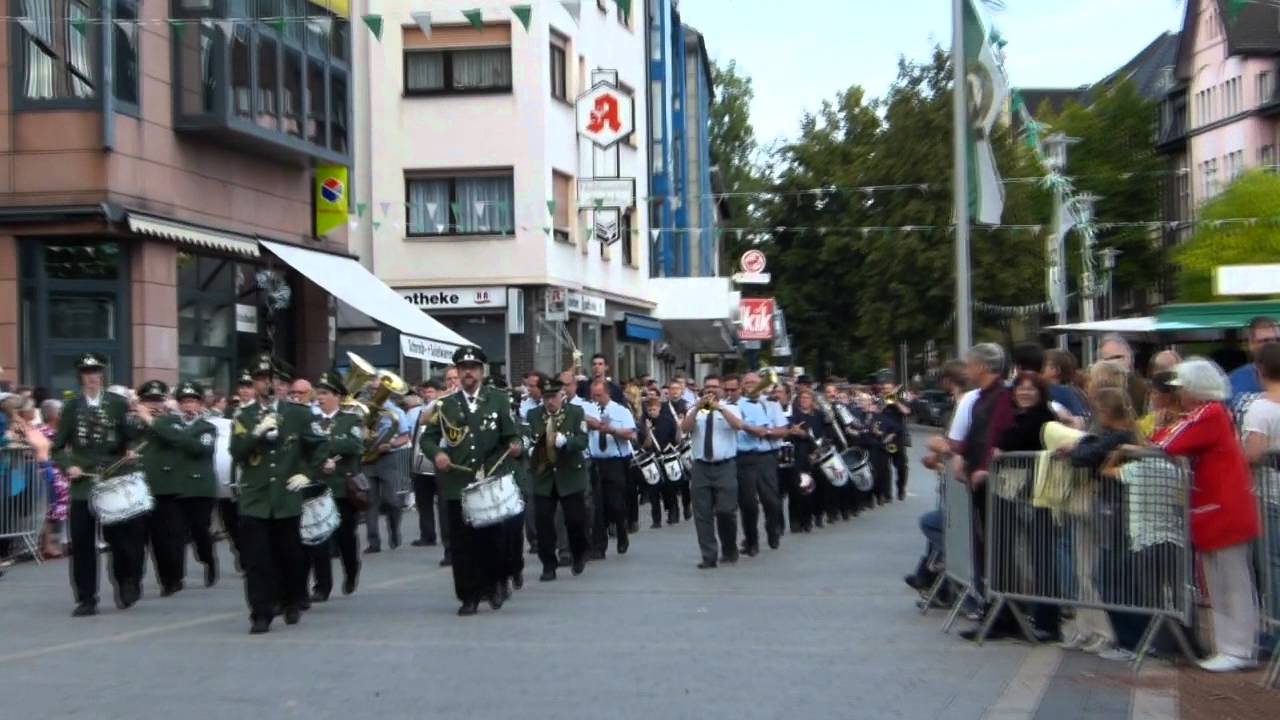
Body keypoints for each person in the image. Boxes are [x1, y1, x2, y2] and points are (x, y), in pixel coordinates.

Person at [1154, 358, 1261, 672]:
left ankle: (1239, 649)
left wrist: (1160, 432)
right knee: (1219, 583)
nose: (1179, 394)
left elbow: (1169, 441)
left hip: (1224, 507)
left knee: (1232, 583)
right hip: (1215, 507)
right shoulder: (1207, 413)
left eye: (1183, 388)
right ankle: (1230, 647)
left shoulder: (1209, 412)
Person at [419, 346, 522, 617]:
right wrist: (438, 453)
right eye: (463, 368)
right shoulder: (445, 405)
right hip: (458, 484)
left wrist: (515, 446)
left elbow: (511, 435)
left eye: (473, 368)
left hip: (490, 482)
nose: (468, 373)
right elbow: (427, 438)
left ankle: (495, 583)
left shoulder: (498, 400)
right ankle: (468, 595)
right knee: (463, 545)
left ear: (481, 371)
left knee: (494, 541)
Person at [230, 354, 328, 634]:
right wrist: (255, 435)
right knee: (257, 560)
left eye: (270, 379)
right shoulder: (244, 416)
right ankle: (260, 613)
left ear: (279, 383)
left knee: (291, 557)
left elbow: (320, 445)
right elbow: (237, 453)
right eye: (260, 380)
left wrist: (308, 473)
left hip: (286, 497)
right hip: (256, 499)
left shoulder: (297, 413)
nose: (266, 385)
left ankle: (292, 599)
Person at [51, 354, 150, 616]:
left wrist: (131, 449)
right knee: (82, 543)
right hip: (84, 484)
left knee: (121, 540)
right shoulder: (71, 407)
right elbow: (57, 447)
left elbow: (135, 436)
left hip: (112, 481)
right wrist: (68, 465)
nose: (92, 377)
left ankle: (127, 581)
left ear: (102, 375)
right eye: (87, 372)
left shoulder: (117, 404)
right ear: (80, 376)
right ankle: (87, 597)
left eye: (96, 372)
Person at [305, 371, 364, 602]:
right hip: (318, 488)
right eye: (318, 393)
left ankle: (351, 571)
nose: (320, 398)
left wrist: (326, 448)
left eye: (325, 393)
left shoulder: (351, 419)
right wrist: (321, 458)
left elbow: (355, 445)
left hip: (342, 488)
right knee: (319, 538)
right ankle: (322, 586)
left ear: (337, 396)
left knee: (345, 537)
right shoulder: (311, 421)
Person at [680, 375, 747, 569]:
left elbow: (738, 426)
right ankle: (709, 555)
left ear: (722, 389)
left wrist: (720, 408)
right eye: (708, 387)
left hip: (724, 466)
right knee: (702, 514)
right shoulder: (696, 409)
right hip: (701, 466)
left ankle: (729, 548)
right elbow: (685, 429)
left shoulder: (731, 407)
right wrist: (696, 409)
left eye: (715, 387)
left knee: (726, 510)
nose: (711, 390)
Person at [528, 377, 589, 581]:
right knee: (543, 522)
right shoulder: (534, 415)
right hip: (544, 476)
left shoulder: (575, 413)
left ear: (562, 396)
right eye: (546, 398)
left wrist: (567, 441)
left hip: (569, 473)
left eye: (553, 397)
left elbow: (582, 441)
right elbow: (527, 436)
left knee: (575, 520)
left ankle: (578, 553)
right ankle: (548, 564)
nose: (550, 402)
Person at [137, 379, 194, 596]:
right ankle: (131, 582)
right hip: (136, 488)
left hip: (165, 489)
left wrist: (151, 420)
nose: (154, 405)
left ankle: (171, 579)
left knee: (165, 540)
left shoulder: (171, 421)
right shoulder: (132, 422)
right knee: (134, 542)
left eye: (158, 400)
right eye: (149, 401)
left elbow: (177, 438)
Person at [1241, 341, 1280, 653]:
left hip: (1270, 496)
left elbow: (1253, 453)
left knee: (1272, 565)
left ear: (1260, 370)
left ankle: (1275, 629)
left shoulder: (1260, 407)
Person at [730, 372, 785, 555]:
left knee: (772, 500)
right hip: (742, 457)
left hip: (766, 456)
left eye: (754, 382)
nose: (751, 385)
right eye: (747, 383)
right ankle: (752, 541)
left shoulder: (770, 403)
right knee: (748, 503)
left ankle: (772, 528)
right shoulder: (736, 404)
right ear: (742, 386)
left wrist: (764, 431)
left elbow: (782, 430)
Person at [171, 382, 219, 590]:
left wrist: (178, 433)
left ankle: (208, 562)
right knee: (176, 533)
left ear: (200, 404)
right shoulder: (172, 424)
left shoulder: (207, 426)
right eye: (184, 402)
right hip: (177, 486)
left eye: (192, 401)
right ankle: (176, 576)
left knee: (200, 530)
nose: (188, 406)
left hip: (201, 488)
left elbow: (199, 448)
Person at [583, 379, 637, 559]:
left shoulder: (620, 410)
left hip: (615, 461)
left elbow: (630, 433)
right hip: (596, 460)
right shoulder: (588, 409)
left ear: (608, 393)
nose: (595, 398)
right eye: (593, 395)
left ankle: (622, 530)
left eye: (598, 395)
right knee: (597, 505)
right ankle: (599, 546)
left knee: (616, 503)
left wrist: (612, 430)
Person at [363, 388, 410, 554]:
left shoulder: (396, 412)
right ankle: (373, 542)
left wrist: (391, 444)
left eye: (378, 390)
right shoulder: (364, 410)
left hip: (387, 458)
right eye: (373, 390)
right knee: (370, 502)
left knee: (392, 501)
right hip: (367, 460)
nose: (374, 393)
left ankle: (394, 531)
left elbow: (405, 436)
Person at [1227, 316, 1279, 425]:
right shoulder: (1232, 381)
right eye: (1265, 341)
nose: (1272, 345)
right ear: (1251, 344)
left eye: (1277, 340)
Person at [639, 396, 681, 527]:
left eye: (654, 409)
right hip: (653, 459)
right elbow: (645, 445)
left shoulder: (667, 421)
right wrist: (648, 430)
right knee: (653, 490)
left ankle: (673, 513)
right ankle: (656, 519)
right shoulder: (644, 424)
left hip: (666, 456)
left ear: (659, 408)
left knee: (669, 489)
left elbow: (676, 440)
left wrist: (679, 427)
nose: (652, 412)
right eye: (649, 410)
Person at [35, 399, 69, 558]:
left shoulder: (61, 431)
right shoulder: (44, 431)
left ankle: (60, 542)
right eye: (60, 411)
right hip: (50, 473)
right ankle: (47, 545)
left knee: (58, 508)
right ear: (52, 414)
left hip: (61, 472)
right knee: (50, 509)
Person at [1097, 334, 1149, 417]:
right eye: (1108, 359)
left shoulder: (1144, 390)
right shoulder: (1095, 392)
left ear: (1130, 358)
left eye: (1118, 357)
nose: (1115, 363)